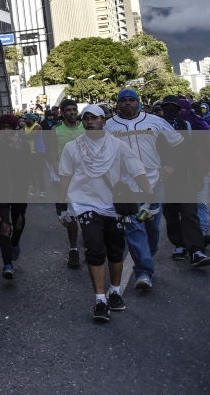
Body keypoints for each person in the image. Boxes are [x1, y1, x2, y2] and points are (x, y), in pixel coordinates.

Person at [57, 105, 154, 322]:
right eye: (86, 118)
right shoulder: (72, 148)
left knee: (116, 250)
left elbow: (137, 171)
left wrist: (150, 198)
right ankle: (100, 300)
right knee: (95, 249)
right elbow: (64, 176)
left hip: (113, 207)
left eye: (94, 118)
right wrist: (62, 207)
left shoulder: (119, 146)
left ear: (104, 121)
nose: (89, 122)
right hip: (85, 206)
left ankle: (115, 292)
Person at [104, 88, 183, 291]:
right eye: (123, 101)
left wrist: (170, 166)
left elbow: (177, 144)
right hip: (125, 186)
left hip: (154, 182)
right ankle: (144, 272)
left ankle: (146, 255)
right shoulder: (109, 126)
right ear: (118, 104)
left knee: (152, 228)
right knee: (134, 227)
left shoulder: (155, 121)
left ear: (138, 102)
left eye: (132, 100)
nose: (127, 104)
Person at [159, 96, 210, 267]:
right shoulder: (157, 126)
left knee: (189, 213)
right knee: (171, 214)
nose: (170, 110)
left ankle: (196, 250)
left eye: (174, 107)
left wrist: (196, 175)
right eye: (167, 107)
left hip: (185, 176)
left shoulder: (186, 125)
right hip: (164, 177)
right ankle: (179, 245)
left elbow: (190, 152)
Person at [46, 99, 86, 269]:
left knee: (88, 214)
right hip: (67, 178)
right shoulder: (56, 130)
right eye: (68, 110)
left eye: (74, 109)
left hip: (87, 178)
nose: (72, 112)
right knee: (70, 218)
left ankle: (92, 247)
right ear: (61, 112)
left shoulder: (86, 127)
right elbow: (53, 153)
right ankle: (74, 249)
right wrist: (58, 172)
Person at [0, 113, 28, 279]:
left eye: (9, 128)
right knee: (4, 227)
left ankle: (15, 242)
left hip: (19, 191)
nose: (5, 131)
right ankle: (7, 264)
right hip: (1, 191)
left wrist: (15, 148)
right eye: (3, 128)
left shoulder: (22, 144)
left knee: (18, 223)